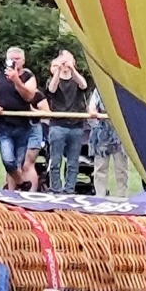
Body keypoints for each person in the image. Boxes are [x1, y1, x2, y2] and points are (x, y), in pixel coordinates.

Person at [43, 51, 93, 194]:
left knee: (73, 161)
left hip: (76, 126)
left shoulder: (77, 79)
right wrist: (58, 71)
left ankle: (70, 188)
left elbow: (83, 85)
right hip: (58, 126)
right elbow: (52, 89)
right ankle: (56, 188)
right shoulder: (53, 79)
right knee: (55, 160)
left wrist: (72, 69)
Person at [0, 47, 39, 190]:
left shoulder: (29, 77)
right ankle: (21, 183)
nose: (14, 61)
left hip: (22, 125)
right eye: (11, 59)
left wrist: (16, 80)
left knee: (18, 163)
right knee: (8, 161)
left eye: (17, 59)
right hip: (4, 125)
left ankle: (15, 193)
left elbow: (29, 96)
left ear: (23, 61)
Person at [88, 84, 133, 197]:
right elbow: (92, 109)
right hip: (101, 132)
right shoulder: (99, 90)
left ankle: (121, 196)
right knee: (100, 167)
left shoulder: (123, 89)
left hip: (119, 132)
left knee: (121, 168)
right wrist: (95, 112)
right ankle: (100, 196)